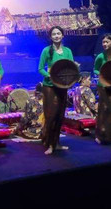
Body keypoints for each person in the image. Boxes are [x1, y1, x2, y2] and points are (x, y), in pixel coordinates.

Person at [38, 26, 74, 155]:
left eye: (59, 33)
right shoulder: (46, 50)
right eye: (54, 34)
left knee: (60, 116)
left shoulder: (68, 51)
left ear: (63, 35)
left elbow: (70, 67)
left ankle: (57, 143)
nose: (56, 36)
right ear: (50, 37)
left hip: (62, 87)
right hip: (49, 87)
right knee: (51, 116)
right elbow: (40, 68)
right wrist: (50, 75)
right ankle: (50, 144)